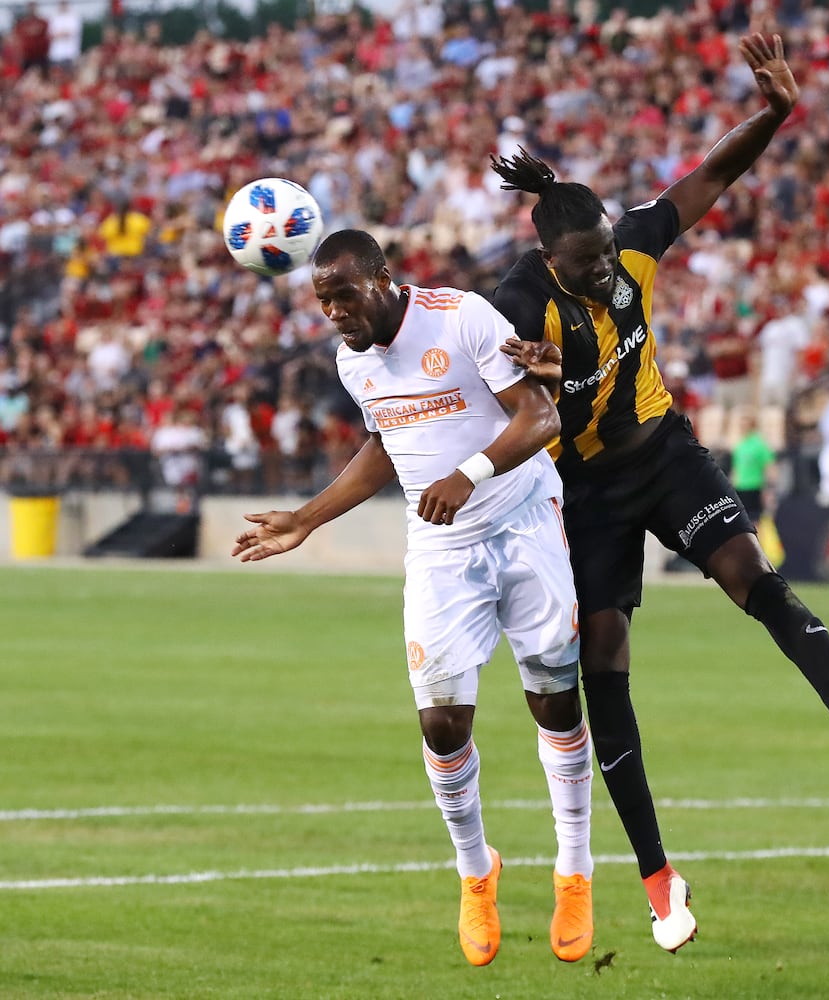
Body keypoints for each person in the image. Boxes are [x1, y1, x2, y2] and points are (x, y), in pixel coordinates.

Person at [489, 32, 829, 954]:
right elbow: (498, 401)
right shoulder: (517, 305)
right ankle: (655, 874)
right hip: (587, 490)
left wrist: (773, 113)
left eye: (605, 253)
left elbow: (707, 178)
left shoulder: (629, 242)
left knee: (751, 576)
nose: (602, 270)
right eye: (583, 263)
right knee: (602, 658)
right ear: (548, 261)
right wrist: (521, 383)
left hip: (665, 452)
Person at [231, 230, 594, 967]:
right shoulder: (351, 360)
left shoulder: (461, 317)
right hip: (441, 547)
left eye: (344, 294)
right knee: (440, 723)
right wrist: (305, 517)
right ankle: (475, 873)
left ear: (383, 279)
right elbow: (381, 449)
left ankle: (575, 870)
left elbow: (540, 416)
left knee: (555, 699)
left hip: (524, 522)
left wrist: (469, 473)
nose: (334, 311)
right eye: (322, 300)